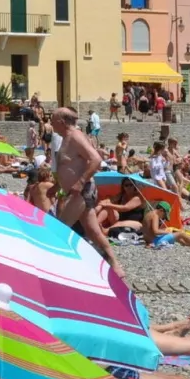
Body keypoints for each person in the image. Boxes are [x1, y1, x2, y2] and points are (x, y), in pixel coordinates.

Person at [49, 106, 124, 280]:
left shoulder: (75, 136)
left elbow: (96, 159)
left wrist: (80, 181)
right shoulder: (66, 138)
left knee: (60, 228)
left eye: (53, 120)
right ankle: (114, 264)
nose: (51, 123)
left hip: (81, 192)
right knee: (93, 231)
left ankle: (58, 266)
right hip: (76, 191)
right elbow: (68, 167)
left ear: (61, 121)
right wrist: (57, 185)